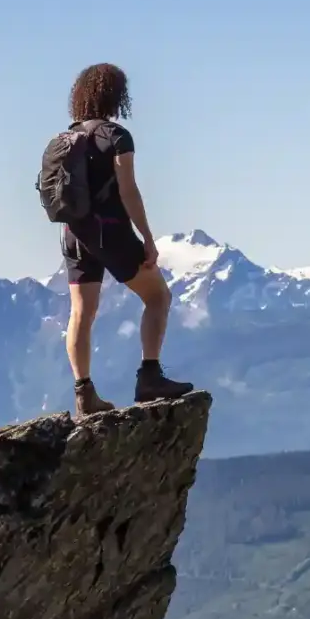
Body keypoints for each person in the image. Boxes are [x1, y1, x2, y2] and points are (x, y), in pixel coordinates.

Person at [59, 62, 193, 415]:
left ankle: (84, 393)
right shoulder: (116, 137)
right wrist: (147, 237)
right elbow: (128, 190)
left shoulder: (64, 139)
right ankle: (150, 377)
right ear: (116, 95)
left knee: (81, 313)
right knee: (158, 296)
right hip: (109, 229)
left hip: (73, 234)